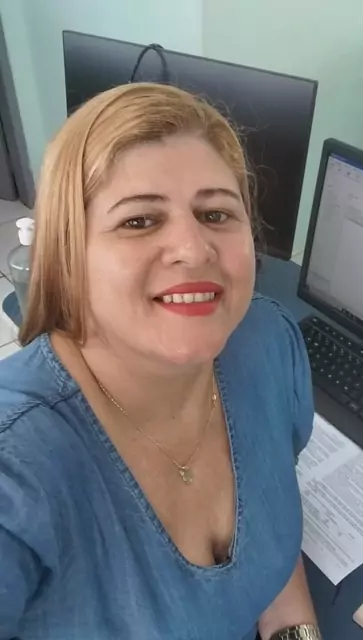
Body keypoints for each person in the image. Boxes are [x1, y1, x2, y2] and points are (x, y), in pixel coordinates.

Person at [0, 82, 319, 640]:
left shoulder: (268, 343)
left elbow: (271, 531)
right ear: (68, 254)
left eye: (216, 213)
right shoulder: (17, 465)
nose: (194, 249)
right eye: (139, 221)